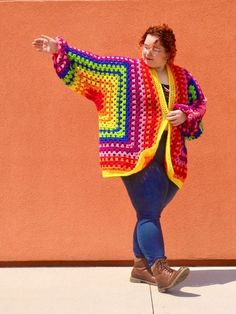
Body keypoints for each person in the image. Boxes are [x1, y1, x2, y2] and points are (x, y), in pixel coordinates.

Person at [32, 24, 206, 293]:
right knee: (149, 212)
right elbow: (93, 64)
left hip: (170, 156)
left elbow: (199, 103)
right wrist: (59, 49)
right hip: (133, 155)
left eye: (155, 49)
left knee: (150, 212)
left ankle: (140, 267)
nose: (148, 52)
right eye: (145, 46)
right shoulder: (125, 71)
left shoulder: (182, 77)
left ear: (169, 53)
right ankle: (161, 269)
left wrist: (185, 114)